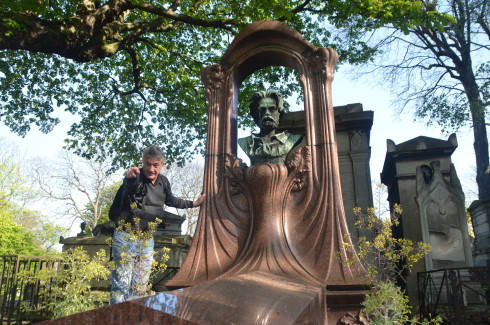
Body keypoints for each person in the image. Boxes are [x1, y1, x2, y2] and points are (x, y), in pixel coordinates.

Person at [110, 145, 205, 304]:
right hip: (126, 236)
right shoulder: (136, 178)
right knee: (122, 284)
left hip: (147, 238)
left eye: (156, 165)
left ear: (162, 165)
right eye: (148, 164)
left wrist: (195, 203)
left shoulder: (163, 182)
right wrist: (129, 178)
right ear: (143, 163)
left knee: (140, 285)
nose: (151, 169)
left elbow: (172, 201)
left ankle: (133, 317)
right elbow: (130, 187)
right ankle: (115, 317)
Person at [238, 90, 303, 165]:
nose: (267, 113)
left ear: (279, 113)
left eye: (272, 109)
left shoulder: (291, 140)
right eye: (262, 110)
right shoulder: (246, 142)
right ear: (256, 114)